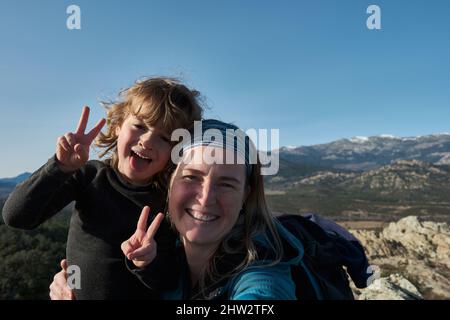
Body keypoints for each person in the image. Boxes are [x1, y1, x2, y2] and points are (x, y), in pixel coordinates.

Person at [50, 120, 302, 300]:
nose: (205, 199)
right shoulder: (160, 256)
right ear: (169, 183)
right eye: (192, 177)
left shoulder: (263, 270)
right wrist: (77, 286)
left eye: (226, 184)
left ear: (245, 196)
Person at [2, 77, 203, 299]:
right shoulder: (89, 176)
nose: (147, 141)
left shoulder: (167, 201)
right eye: (139, 126)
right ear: (117, 126)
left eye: (165, 138)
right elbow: (17, 216)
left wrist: (148, 261)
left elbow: (170, 280)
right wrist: (59, 168)